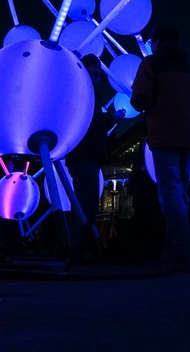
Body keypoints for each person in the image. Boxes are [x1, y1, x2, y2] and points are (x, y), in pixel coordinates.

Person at [130, 22, 190, 272]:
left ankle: (184, 251)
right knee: (180, 194)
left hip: (163, 135)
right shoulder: (189, 69)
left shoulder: (150, 64)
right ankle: (172, 251)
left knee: (170, 195)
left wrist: (138, 98)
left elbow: (140, 99)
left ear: (157, 41)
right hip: (186, 137)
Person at [64, 55, 115, 261]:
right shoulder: (86, 93)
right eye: (93, 68)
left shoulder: (78, 91)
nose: (96, 72)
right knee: (87, 202)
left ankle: (80, 246)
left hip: (81, 153)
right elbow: (92, 124)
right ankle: (79, 248)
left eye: (97, 69)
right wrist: (110, 119)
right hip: (86, 154)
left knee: (85, 201)